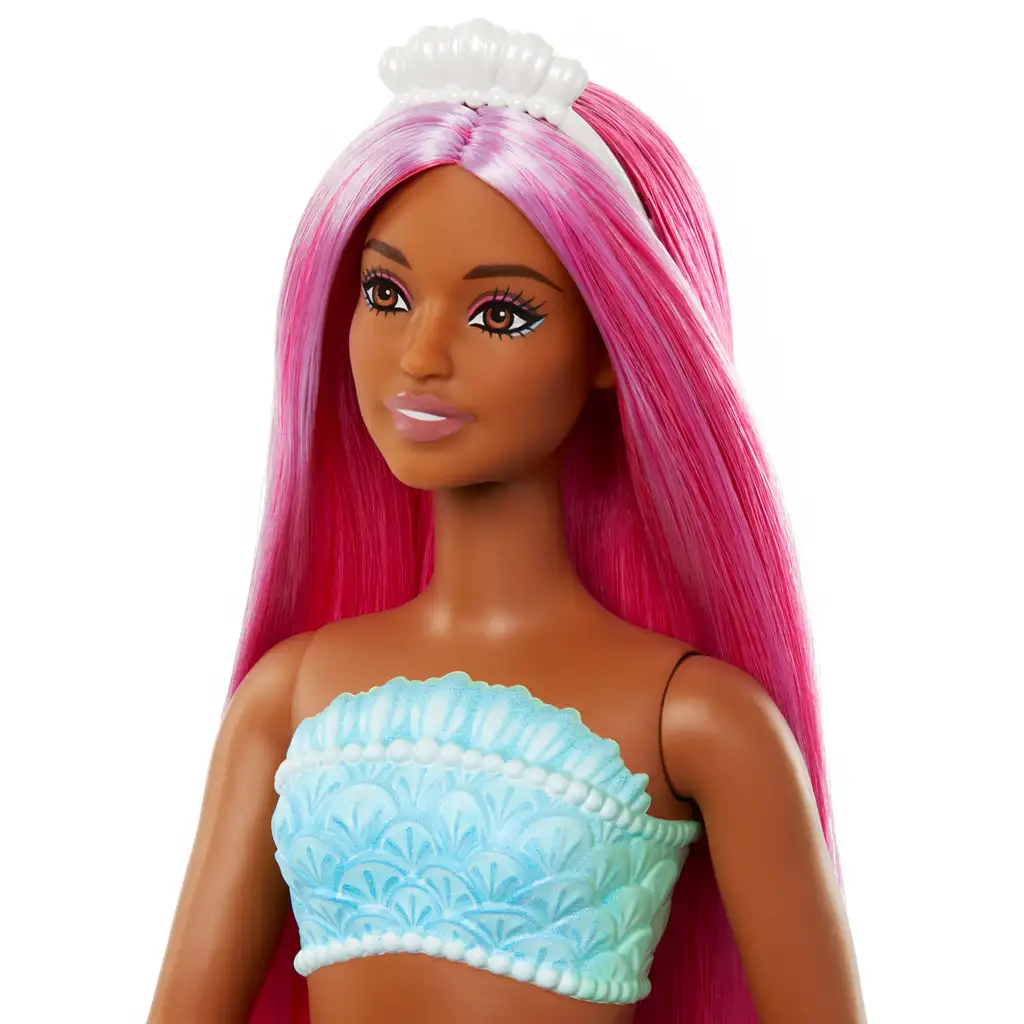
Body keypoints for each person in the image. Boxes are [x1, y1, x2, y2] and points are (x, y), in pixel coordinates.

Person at [149, 18, 866, 1024]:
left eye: (501, 314)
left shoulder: (697, 721)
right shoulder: (287, 699)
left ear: (611, 344)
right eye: (386, 293)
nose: (420, 356)